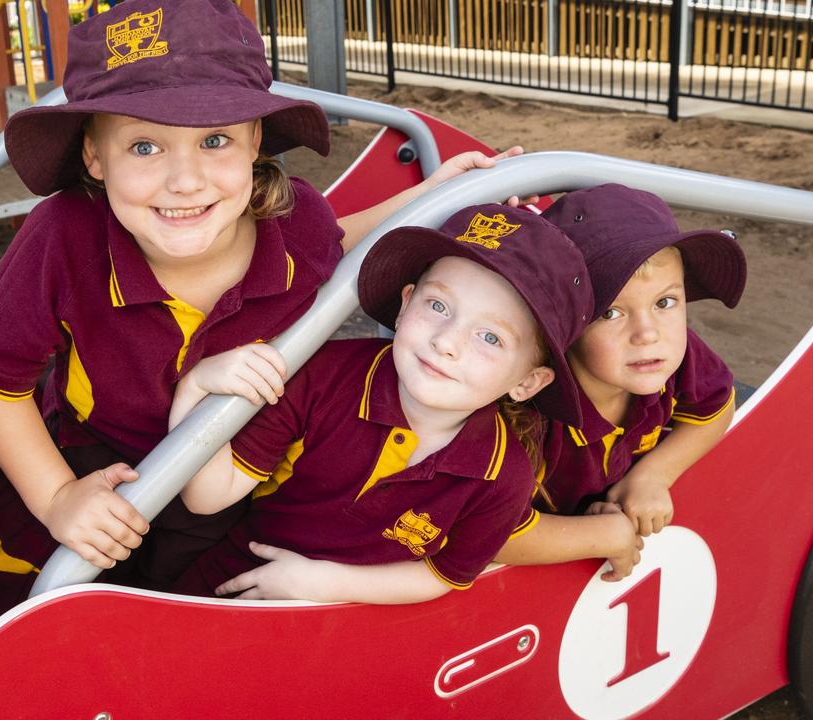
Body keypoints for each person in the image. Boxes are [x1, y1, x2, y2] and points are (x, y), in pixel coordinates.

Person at [0, 0, 521, 598]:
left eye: (215, 140)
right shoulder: (63, 235)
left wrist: (430, 198)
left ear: (254, 141)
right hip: (88, 455)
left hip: (220, 460)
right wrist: (55, 497)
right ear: (94, 155)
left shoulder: (294, 221)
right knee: (37, 588)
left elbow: (338, 241)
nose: (185, 180)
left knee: (179, 603)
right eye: (144, 147)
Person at [169, 204, 594, 602]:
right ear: (405, 303)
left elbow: (443, 575)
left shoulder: (504, 474)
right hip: (237, 583)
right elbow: (206, 497)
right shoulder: (323, 375)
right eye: (438, 305)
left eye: (490, 337)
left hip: (354, 619)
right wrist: (194, 387)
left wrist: (328, 583)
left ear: (527, 382)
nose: (445, 341)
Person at [495, 184, 746, 580]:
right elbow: (489, 532)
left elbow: (716, 406)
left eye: (665, 302)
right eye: (611, 312)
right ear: (562, 326)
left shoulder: (668, 356)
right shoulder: (527, 407)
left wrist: (655, 474)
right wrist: (600, 534)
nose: (648, 333)